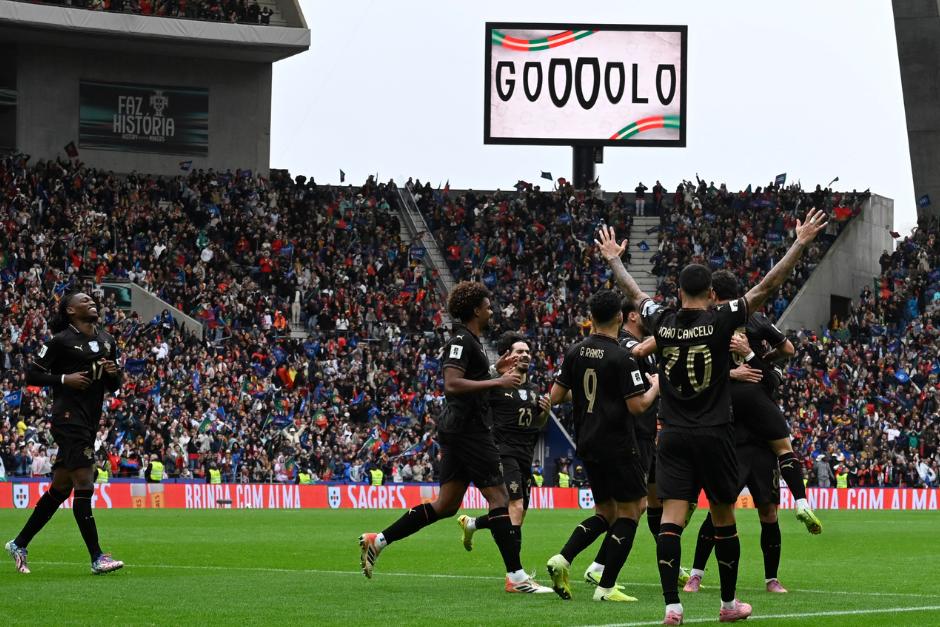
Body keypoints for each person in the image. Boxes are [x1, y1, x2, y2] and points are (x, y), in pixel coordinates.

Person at [596, 207, 828, 624]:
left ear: (678, 290)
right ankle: (728, 605)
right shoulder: (721, 320)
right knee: (723, 517)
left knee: (671, 520)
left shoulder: (663, 322)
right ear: (710, 293)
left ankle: (672, 606)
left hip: (672, 435)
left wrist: (614, 259)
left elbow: (634, 293)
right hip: (716, 434)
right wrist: (800, 243)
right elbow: (767, 285)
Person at [358, 281, 551, 593]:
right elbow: (452, 384)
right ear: (475, 310)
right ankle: (516, 578)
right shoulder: (460, 340)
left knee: (446, 505)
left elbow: (470, 379)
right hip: (468, 430)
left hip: (459, 429)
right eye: (487, 306)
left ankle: (377, 540)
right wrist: (498, 381)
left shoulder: (473, 341)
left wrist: (494, 370)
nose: (491, 311)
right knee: (500, 499)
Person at [544, 289, 661, 602]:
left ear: (591, 317)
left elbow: (556, 396)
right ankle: (606, 587)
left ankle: (563, 558)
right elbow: (638, 406)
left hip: (588, 442)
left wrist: (590, 396)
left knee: (605, 512)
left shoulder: (575, 351)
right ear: (620, 317)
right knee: (631, 512)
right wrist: (655, 387)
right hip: (619, 445)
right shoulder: (622, 357)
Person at [5, 292, 125, 575]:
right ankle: (97, 557)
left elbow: (114, 386)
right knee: (85, 481)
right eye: (84, 300)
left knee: (60, 488)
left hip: (89, 419)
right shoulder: (60, 341)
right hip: (68, 418)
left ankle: (19, 544)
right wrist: (63, 379)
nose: (91, 301)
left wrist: (112, 372)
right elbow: (32, 375)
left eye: (92, 299)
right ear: (70, 310)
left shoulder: (107, 340)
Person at [582, 297, 692, 589]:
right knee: (632, 508)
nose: (651, 319)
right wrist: (677, 331)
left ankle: (669, 560)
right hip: (634, 435)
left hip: (649, 433)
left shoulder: (643, 345)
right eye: (645, 313)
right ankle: (598, 566)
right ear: (631, 316)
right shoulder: (625, 344)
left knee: (657, 501)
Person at [457, 332, 550, 555]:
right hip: (502, 451)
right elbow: (471, 393)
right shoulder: (497, 385)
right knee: (515, 505)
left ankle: (472, 524)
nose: (525, 355)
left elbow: (536, 423)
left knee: (518, 511)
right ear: (509, 356)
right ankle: (515, 569)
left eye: (527, 351)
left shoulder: (534, 389)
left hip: (525, 453)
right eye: (520, 351)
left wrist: (545, 413)